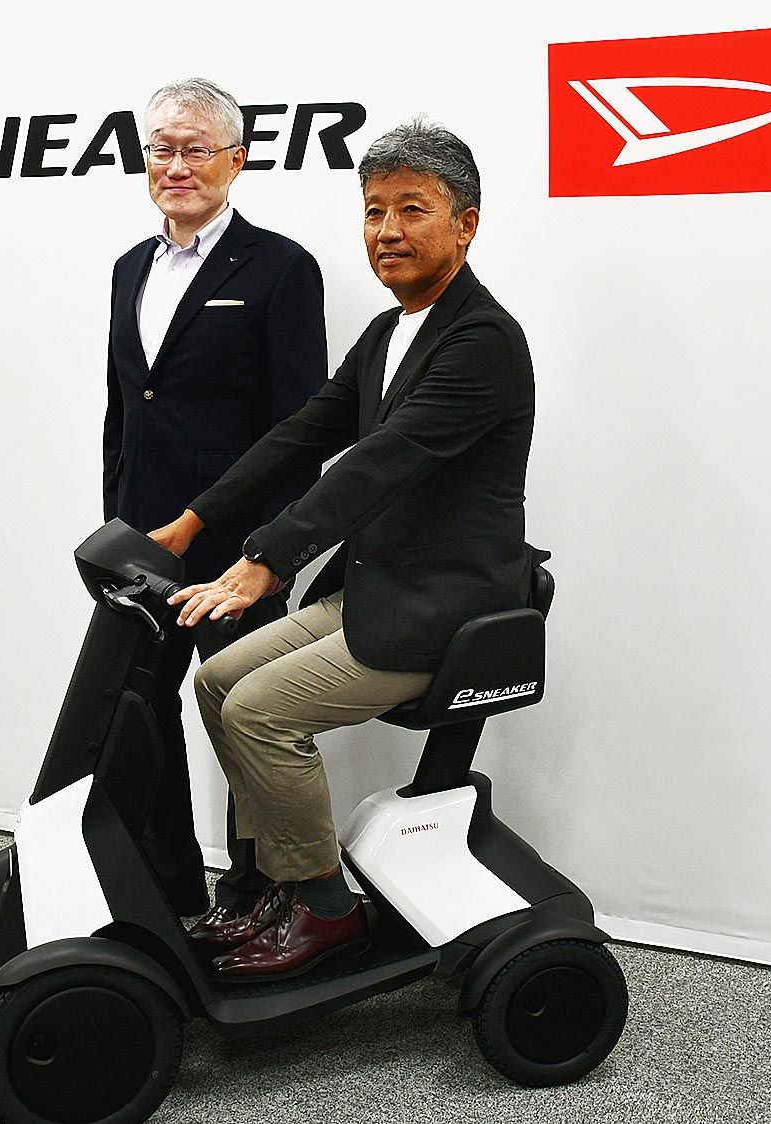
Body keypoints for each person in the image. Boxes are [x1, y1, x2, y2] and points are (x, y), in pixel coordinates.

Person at [150, 118, 535, 977]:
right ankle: (271, 883)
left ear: (465, 225)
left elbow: (376, 466)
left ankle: (323, 908)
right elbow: (303, 434)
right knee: (215, 682)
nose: (387, 230)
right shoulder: (389, 332)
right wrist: (191, 520)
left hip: (436, 609)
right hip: (373, 587)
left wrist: (266, 560)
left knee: (260, 712)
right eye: (373, 211)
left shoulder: (481, 342)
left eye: (412, 210)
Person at [103, 77, 327, 921]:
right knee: (139, 714)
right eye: (161, 149)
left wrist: (273, 553)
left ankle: (258, 889)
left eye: (196, 149)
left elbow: (302, 426)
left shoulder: (280, 268)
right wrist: (117, 524)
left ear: (235, 161)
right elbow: (125, 408)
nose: (177, 166)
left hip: (237, 553)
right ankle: (165, 887)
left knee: (246, 715)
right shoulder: (130, 268)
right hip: (144, 546)